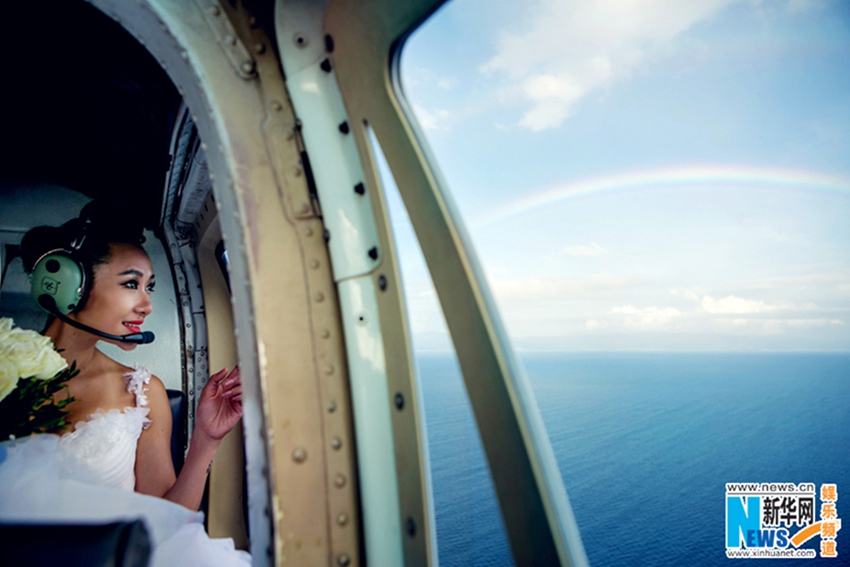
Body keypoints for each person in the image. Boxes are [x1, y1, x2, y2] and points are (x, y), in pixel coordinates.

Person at [0, 203, 250, 566]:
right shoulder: (8, 369)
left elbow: (164, 523)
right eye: (131, 284)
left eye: (149, 287)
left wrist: (206, 440)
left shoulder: (142, 391)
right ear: (70, 284)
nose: (147, 305)